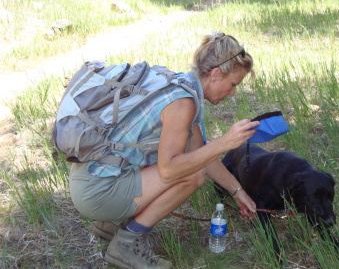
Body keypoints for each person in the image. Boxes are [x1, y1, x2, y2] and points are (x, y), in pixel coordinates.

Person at [68, 31, 259, 269]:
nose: (232, 93)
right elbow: (170, 172)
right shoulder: (183, 104)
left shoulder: (181, 86)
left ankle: (110, 227)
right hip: (97, 192)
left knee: (189, 162)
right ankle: (127, 243)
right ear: (216, 74)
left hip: (90, 176)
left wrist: (237, 190)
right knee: (191, 174)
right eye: (233, 85)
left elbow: (202, 154)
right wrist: (225, 142)